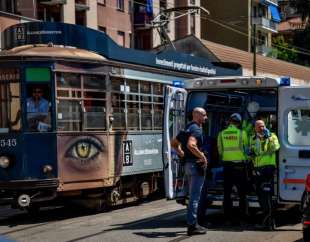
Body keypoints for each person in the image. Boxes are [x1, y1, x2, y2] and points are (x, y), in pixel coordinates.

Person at [171, 107, 208, 236]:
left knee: (192, 196)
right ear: (197, 115)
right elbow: (191, 145)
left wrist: (181, 154)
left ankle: (193, 223)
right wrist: (202, 157)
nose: (206, 117)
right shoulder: (196, 129)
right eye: (204, 115)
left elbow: (174, 143)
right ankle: (192, 226)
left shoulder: (186, 128)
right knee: (194, 197)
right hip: (195, 166)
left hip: (188, 165)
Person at [217, 113, 249, 224]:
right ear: (239, 123)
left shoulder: (221, 134)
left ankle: (227, 217)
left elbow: (220, 151)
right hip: (240, 166)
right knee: (242, 193)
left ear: (230, 121)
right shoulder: (242, 133)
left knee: (227, 192)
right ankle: (242, 217)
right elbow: (247, 149)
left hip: (227, 166)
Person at [249, 119, 280, 230]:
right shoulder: (252, 138)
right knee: (260, 195)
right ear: (255, 127)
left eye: (262, 126)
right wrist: (250, 153)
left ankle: (270, 223)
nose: (261, 128)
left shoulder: (272, 136)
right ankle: (266, 221)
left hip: (267, 169)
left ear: (265, 126)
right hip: (257, 169)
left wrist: (268, 139)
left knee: (267, 196)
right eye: (258, 126)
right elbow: (252, 153)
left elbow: (276, 147)